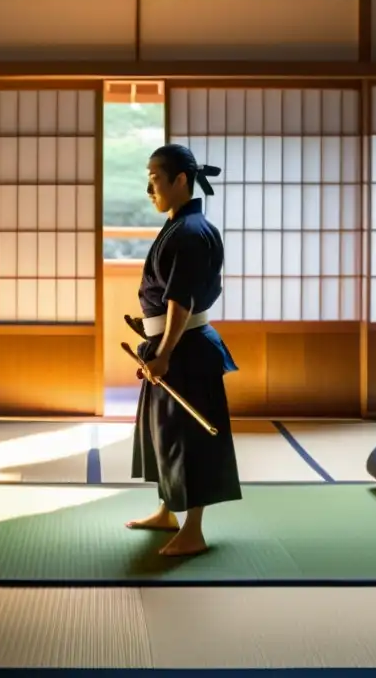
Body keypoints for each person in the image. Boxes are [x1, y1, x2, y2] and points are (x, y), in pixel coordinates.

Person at [125, 143, 242, 557]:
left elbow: (182, 301)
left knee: (190, 440)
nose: (148, 188)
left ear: (179, 181)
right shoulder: (180, 224)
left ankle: (193, 530)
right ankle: (167, 511)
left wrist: (165, 354)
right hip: (173, 344)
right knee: (167, 436)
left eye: (155, 179)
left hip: (185, 350)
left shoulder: (191, 232)